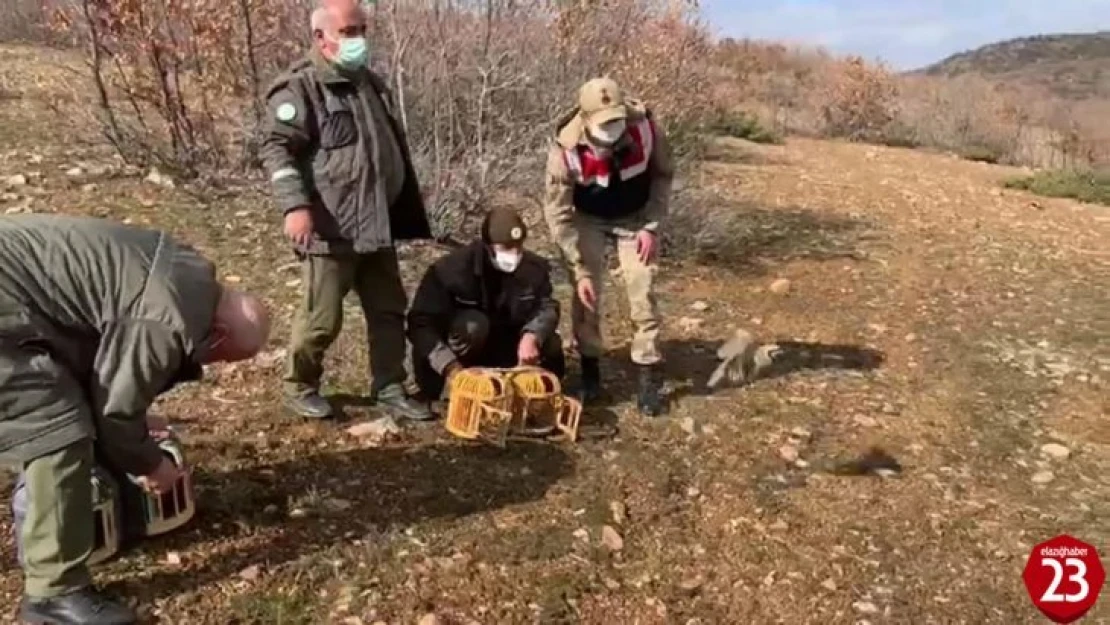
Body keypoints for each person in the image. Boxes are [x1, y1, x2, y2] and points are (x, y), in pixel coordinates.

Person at [0, 214, 271, 625]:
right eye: (217, 357)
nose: (209, 362)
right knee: (55, 428)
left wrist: (136, 415)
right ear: (217, 334)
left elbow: (100, 350)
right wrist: (151, 464)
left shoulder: (185, 272)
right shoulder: (168, 316)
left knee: (61, 405)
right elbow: (115, 410)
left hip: (17, 294)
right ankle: (53, 596)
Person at [259, 0, 434, 421]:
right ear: (321, 38)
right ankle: (299, 385)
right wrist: (295, 206)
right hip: (331, 226)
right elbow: (275, 147)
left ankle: (389, 386)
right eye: (348, 32)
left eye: (362, 30)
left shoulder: (369, 83)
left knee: (388, 309)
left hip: (377, 222)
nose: (359, 39)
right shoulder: (300, 88)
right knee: (321, 318)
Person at [542, 77, 675, 416]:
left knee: (641, 288)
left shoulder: (646, 128)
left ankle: (647, 375)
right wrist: (578, 266)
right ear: (585, 120)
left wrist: (651, 226)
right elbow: (558, 213)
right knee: (586, 294)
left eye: (616, 119)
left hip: (636, 218)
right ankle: (589, 373)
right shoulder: (565, 149)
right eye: (604, 123)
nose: (612, 129)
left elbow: (663, 176)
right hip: (588, 218)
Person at [407, 208, 565, 403]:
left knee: (550, 342)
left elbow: (547, 306)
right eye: (505, 248)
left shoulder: (533, 269)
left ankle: (520, 385)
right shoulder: (450, 271)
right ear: (487, 246)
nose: (514, 255)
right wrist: (450, 368)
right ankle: (457, 387)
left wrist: (532, 335)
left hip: (503, 349)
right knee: (474, 324)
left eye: (518, 247)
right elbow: (421, 324)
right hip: (455, 358)